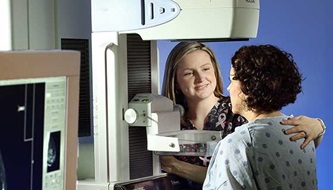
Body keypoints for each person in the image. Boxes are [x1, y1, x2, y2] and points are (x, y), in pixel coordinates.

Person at [160, 42, 325, 190]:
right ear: (175, 81)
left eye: (205, 68)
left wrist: (318, 127)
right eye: (189, 73)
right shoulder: (166, 122)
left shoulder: (240, 131)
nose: (200, 78)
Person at [203, 44, 318, 189]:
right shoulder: (302, 133)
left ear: (249, 86)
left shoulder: (238, 144)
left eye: (232, 79)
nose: (229, 88)